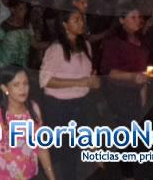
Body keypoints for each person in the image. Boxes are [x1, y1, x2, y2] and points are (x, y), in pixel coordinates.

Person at [40, 9, 100, 180]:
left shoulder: (85, 45)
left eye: (82, 19)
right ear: (65, 25)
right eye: (76, 20)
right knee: (63, 151)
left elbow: (88, 75)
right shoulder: (57, 48)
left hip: (80, 103)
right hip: (58, 106)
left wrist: (94, 81)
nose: (81, 23)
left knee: (72, 150)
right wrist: (79, 82)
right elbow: (45, 80)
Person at [100, 3, 153, 180]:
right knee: (126, 132)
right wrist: (132, 77)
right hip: (119, 92)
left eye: (139, 17)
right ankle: (127, 174)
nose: (138, 20)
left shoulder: (140, 40)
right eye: (133, 17)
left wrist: (143, 86)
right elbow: (109, 71)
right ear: (122, 20)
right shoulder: (113, 42)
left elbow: (143, 68)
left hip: (134, 91)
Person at [0, 65, 56, 180]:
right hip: (0, 176)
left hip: (28, 175)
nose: (23, 89)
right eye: (16, 85)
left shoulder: (33, 109)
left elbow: (41, 147)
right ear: (5, 88)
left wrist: (51, 176)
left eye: (26, 83)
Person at [0, 0, 47, 68]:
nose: (24, 12)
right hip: (6, 68)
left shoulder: (27, 25)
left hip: (22, 67)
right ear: (12, 10)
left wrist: (55, 43)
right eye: (21, 9)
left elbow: (36, 44)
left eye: (25, 8)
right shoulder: (3, 27)